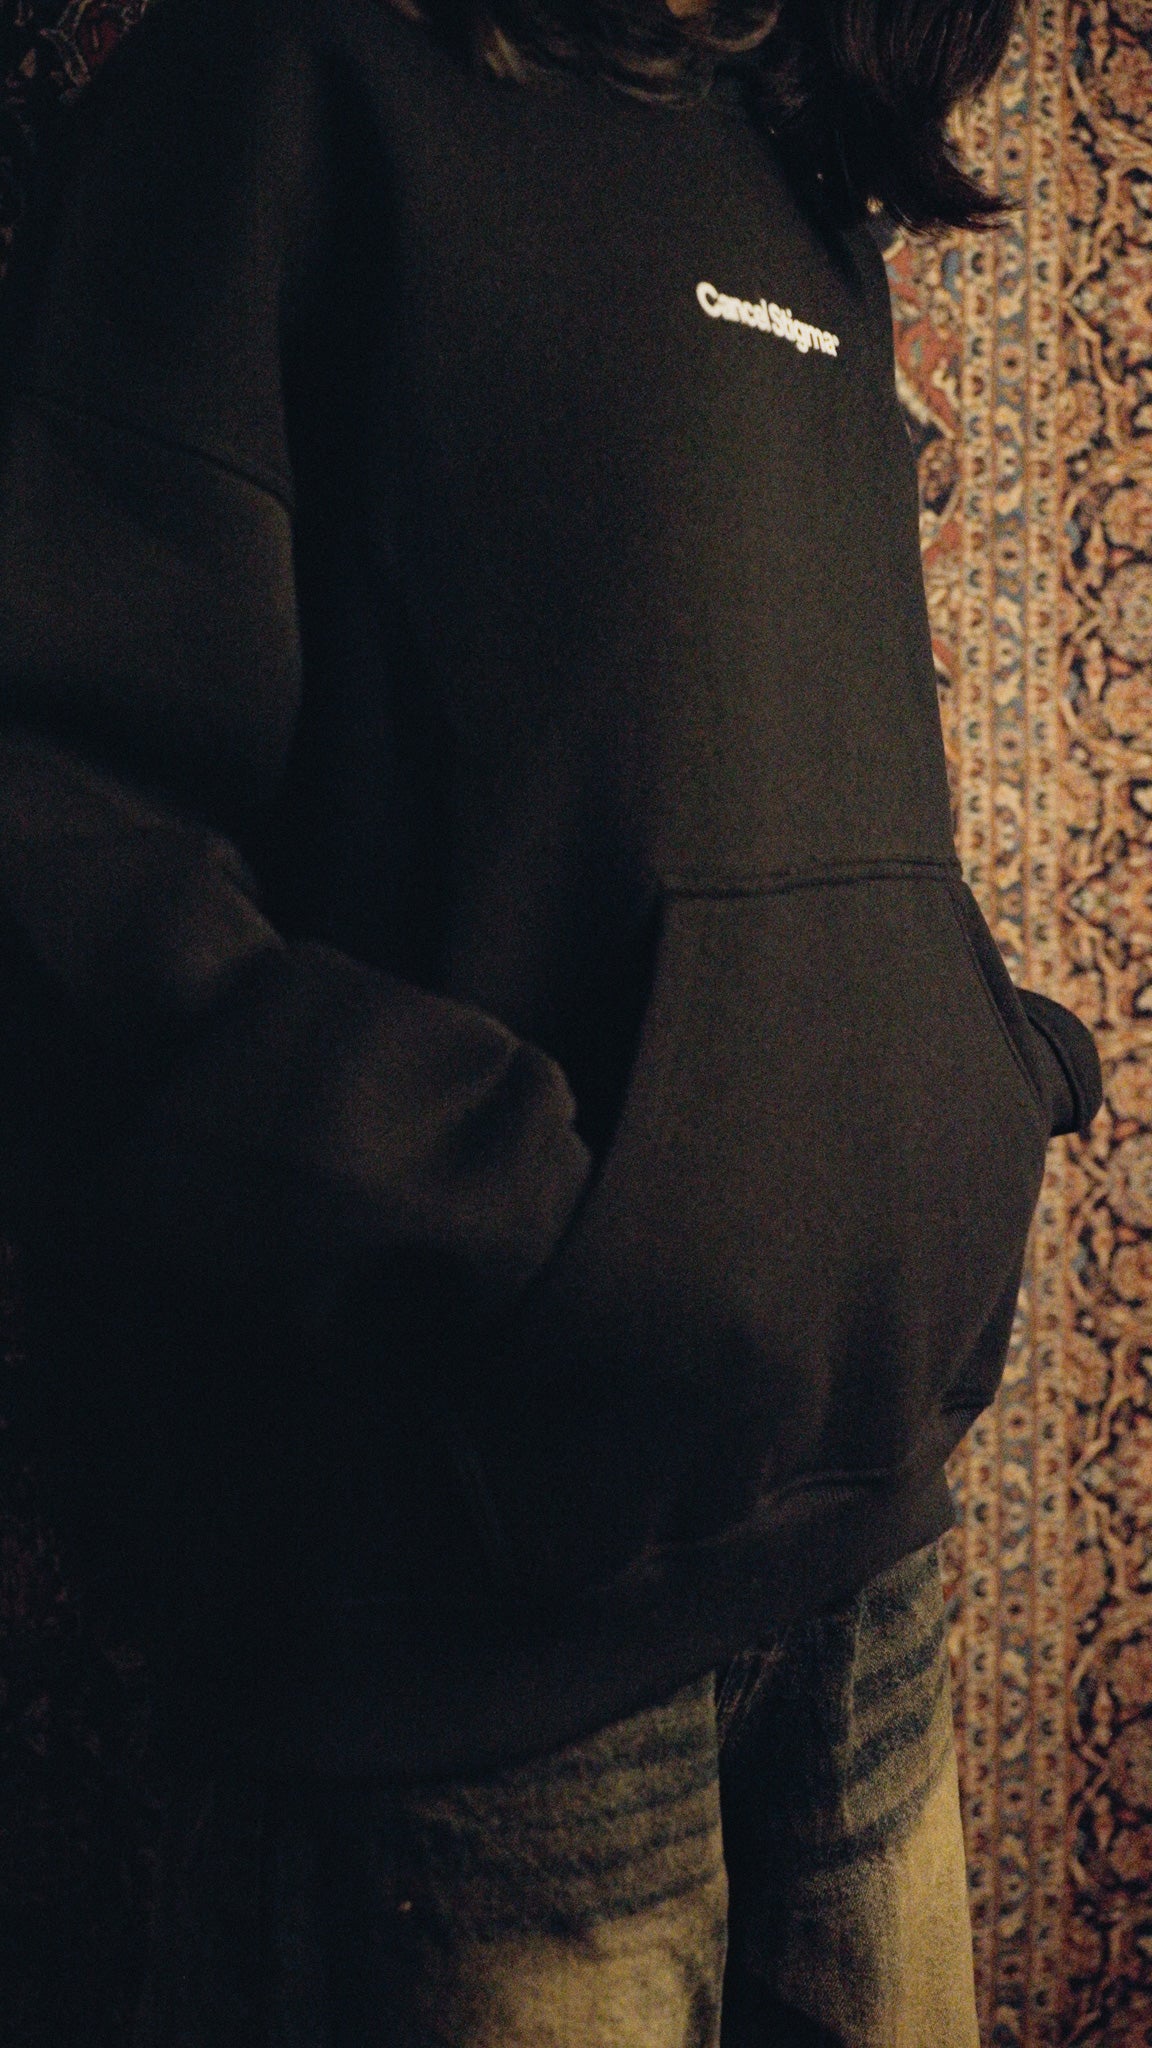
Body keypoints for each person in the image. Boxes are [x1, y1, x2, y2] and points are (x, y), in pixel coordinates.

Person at [0, 0, 1103, 2039]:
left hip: (864, 1545)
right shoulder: (278, 84)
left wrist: (970, 1095)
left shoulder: (791, 172)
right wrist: (530, 1225)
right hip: (469, 1618)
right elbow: (61, 805)